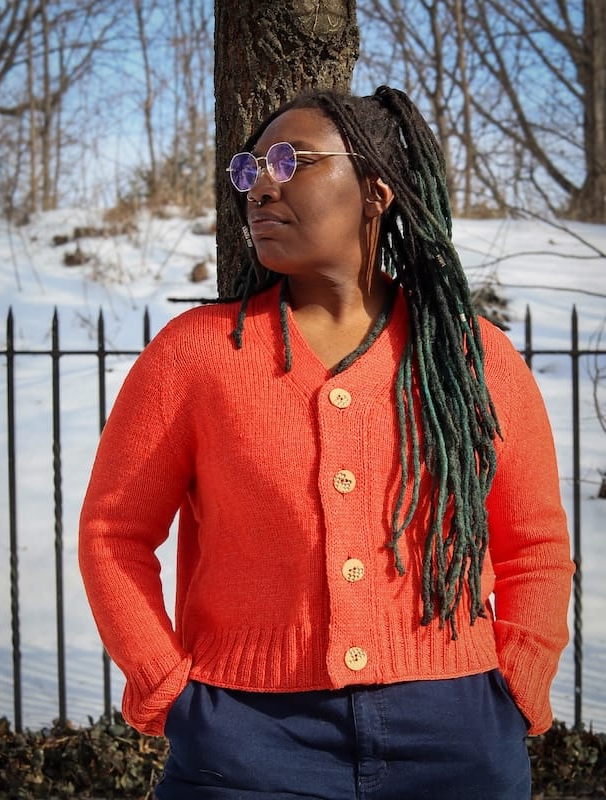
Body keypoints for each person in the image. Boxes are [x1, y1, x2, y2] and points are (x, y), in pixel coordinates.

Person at [78, 86, 574, 800]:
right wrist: (167, 686)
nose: (260, 186)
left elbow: (535, 544)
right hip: (244, 736)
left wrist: (518, 681)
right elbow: (112, 533)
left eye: (291, 160)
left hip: (457, 732)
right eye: (249, 169)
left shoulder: (471, 358)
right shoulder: (197, 356)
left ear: (375, 190)